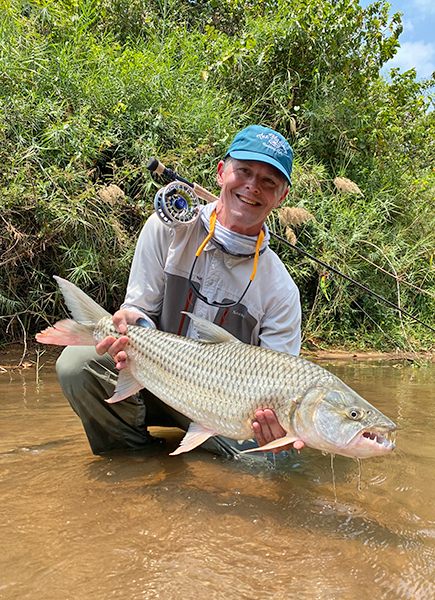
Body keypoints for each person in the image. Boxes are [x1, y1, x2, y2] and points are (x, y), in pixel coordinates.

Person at [56, 125, 305, 457]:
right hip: (150, 377)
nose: (252, 187)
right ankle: (133, 460)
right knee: (76, 364)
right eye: (244, 171)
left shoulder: (281, 291)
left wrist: (277, 430)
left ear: (281, 196)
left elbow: (284, 381)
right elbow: (138, 309)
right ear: (221, 172)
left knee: (276, 460)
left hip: (226, 410)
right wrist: (130, 324)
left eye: (269, 181)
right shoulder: (167, 229)